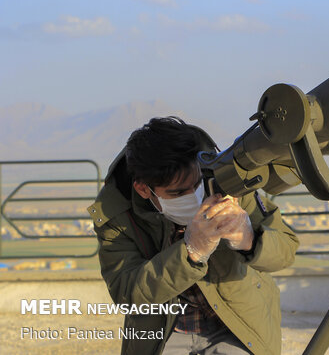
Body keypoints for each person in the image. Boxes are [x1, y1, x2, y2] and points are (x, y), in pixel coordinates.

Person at [88, 116, 299, 355]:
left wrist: (250, 239)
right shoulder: (117, 214)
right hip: (165, 330)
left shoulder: (226, 182)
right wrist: (191, 253)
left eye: (196, 184)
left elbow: (286, 250)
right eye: (178, 192)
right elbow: (127, 295)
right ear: (143, 189)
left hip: (238, 324)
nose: (193, 196)